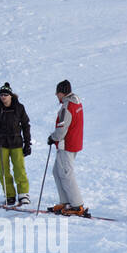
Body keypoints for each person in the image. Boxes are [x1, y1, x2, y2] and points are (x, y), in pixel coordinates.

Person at [0, 83, 31, 206]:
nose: (3, 97)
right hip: (0, 144)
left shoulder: (19, 108)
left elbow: (26, 126)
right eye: (1, 95)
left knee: (19, 169)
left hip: (16, 143)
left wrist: (27, 143)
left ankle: (23, 194)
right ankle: (9, 195)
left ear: (11, 96)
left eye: (6, 95)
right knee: (4, 171)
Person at [47, 80, 85, 215]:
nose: (57, 96)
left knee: (66, 174)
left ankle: (77, 205)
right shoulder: (77, 103)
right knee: (57, 172)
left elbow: (62, 129)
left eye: (57, 93)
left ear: (62, 93)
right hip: (73, 143)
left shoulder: (67, 107)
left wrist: (53, 137)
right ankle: (66, 201)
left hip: (67, 145)